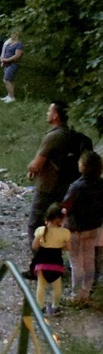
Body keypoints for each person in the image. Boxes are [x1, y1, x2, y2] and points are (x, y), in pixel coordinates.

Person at [26, 101, 75, 246]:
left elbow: (36, 165)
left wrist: (30, 167)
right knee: (54, 224)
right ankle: (53, 258)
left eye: (49, 111)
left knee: (35, 224)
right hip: (63, 185)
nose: (47, 114)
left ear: (56, 116)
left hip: (47, 186)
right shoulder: (69, 134)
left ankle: (38, 261)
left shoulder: (53, 136)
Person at [62, 150, 103, 304]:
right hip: (93, 228)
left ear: (83, 166)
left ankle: (75, 296)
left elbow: (66, 206)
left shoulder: (76, 187)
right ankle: (86, 294)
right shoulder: (101, 184)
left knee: (76, 263)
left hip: (75, 229)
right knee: (89, 261)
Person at [32, 203, 71, 315]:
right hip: (56, 262)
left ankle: (39, 308)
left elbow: (34, 246)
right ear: (60, 219)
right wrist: (59, 245)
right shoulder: (65, 233)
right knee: (57, 286)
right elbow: (68, 248)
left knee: (41, 285)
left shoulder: (40, 230)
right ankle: (55, 307)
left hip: (42, 262)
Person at [0, 30, 23, 103]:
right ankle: (9, 95)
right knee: (11, 80)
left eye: (14, 34)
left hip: (13, 64)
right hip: (6, 63)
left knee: (6, 80)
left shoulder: (18, 44)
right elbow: (4, 52)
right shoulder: (9, 43)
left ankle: (12, 97)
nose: (12, 35)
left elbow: (17, 55)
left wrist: (7, 60)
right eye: (11, 34)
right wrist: (2, 59)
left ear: (17, 36)